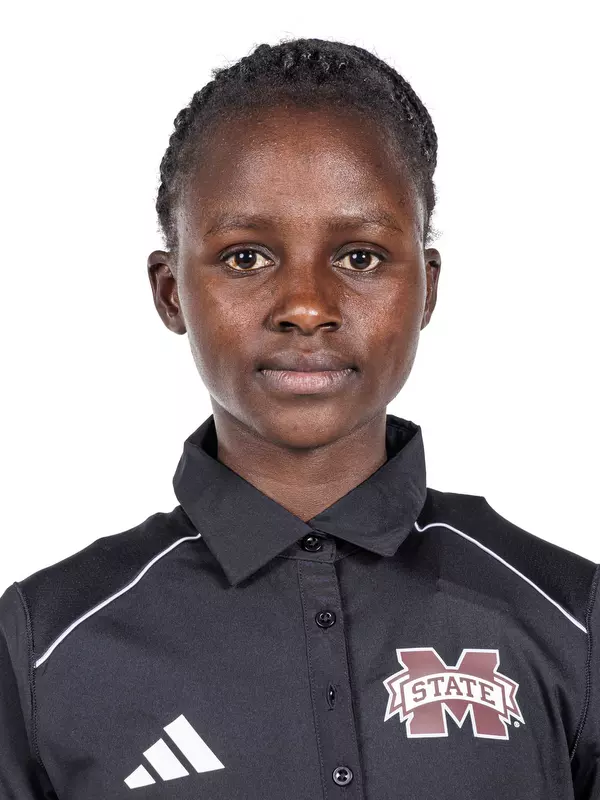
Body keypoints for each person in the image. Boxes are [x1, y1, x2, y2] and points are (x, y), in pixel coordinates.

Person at [0, 37, 598, 800]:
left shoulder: (570, 623)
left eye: (360, 258)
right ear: (171, 291)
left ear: (428, 288)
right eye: (247, 256)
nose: (308, 308)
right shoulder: (44, 648)